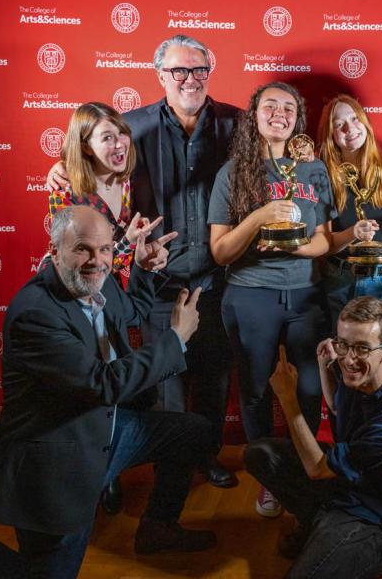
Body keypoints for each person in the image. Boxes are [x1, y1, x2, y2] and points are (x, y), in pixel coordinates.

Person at [0, 206, 215, 579]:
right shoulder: (35, 313)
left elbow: (129, 312)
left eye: (104, 250)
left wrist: (145, 270)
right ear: (54, 252)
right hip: (56, 456)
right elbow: (103, 384)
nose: (97, 261)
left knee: (192, 432)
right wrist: (176, 338)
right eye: (82, 249)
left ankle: (157, 527)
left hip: (106, 428)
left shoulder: (98, 281)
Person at [48, 34, 239, 490]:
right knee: (167, 377)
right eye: (179, 71)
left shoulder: (237, 124)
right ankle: (173, 470)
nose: (189, 79)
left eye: (198, 70)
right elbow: (85, 161)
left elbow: (277, 160)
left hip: (217, 276)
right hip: (157, 278)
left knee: (213, 377)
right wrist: (56, 167)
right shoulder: (132, 127)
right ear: (160, 76)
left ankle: (206, 455)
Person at [208, 81, 335, 518]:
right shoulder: (233, 174)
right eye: (269, 106)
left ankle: (306, 467)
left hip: (304, 293)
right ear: (254, 116)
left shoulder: (314, 170)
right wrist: (261, 217)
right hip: (250, 294)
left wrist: (290, 246)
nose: (279, 113)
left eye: (289, 107)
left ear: (298, 118)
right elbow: (221, 251)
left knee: (310, 387)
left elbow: (323, 241)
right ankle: (269, 479)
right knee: (257, 390)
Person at [244, 297, 382, 578]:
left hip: (364, 511)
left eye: (362, 348)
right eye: (343, 343)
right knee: (259, 454)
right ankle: (314, 522)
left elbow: (317, 469)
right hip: (339, 485)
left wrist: (289, 399)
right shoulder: (357, 372)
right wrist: (325, 365)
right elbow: (338, 407)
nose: (349, 358)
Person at [316, 95, 382, 324]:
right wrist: (353, 233)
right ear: (332, 136)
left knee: (380, 352)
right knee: (342, 352)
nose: (350, 128)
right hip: (339, 278)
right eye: (339, 125)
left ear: (365, 122)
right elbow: (323, 244)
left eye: (355, 119)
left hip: (380, 276)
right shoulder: (323, 178)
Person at [48, 102, 159, 275]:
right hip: (74, 295)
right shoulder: (66, 193)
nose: (120, 144)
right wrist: (129, 242)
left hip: (112, 292)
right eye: (107, 137)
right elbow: (83, 268)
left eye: (121, 133)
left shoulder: (128, 180)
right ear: (86, 147)